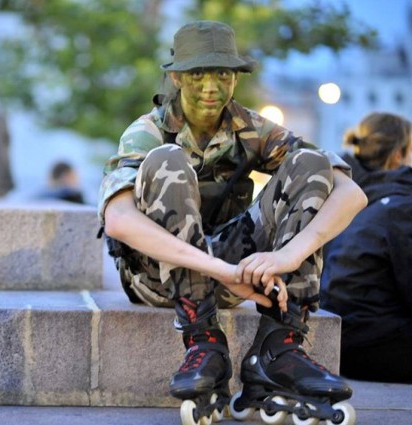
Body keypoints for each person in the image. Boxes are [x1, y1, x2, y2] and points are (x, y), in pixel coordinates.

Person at [98, 21, 366, 423]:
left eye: (222, 74)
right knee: (168, 161)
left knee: (311, 163)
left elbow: (352, 194)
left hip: (232, 267)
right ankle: (203, 340)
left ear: (236, 79)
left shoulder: (253, 128)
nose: (211, 87)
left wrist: (288, 256)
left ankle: (280, 346)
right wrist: (221, 270)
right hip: (156, 278)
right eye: (197, 74)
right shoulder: (147, 131)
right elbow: (118, 220)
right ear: (175, 77)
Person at [321, 112, 412, 384]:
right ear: (399, 154)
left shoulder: (340, 196)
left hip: (338, 340)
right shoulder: (401, 204)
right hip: (379, 345)